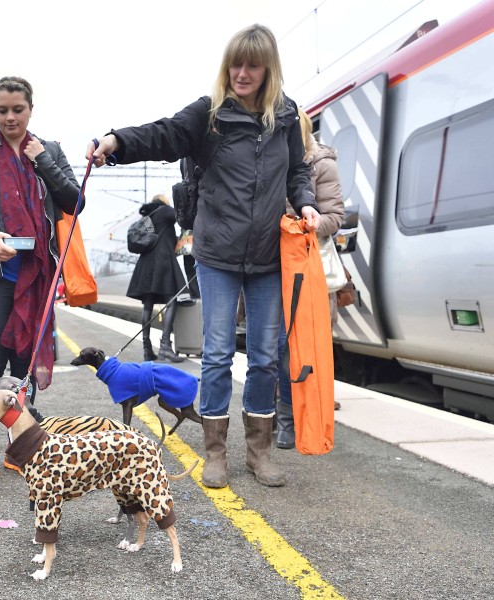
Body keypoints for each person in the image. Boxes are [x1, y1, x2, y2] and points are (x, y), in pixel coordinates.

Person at [88, 24, 321, 488]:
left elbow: (297, 171)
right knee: (216, 354)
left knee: (264, 359)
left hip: (268, 258)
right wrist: (116, 143)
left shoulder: (287, 117)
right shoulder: (210, 115)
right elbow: (164, 134)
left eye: (252, 64)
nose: (242, 72)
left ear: (268, 68)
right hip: (216, 254)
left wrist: (307, 201)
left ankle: (259, 453)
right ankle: (215, 452)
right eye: (235, 63)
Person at [0, 76, 82, 480]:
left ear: (30, 109)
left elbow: (74, 201)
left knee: (23, 363)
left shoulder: (50, 149)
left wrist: (43, 160)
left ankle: (19, 445)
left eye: (17, 109)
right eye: (2, 110)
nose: (10, 117)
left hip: (36, 273)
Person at [275, 108, 345, 449]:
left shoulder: (322, 164)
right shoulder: (274, 162)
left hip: (305, 265)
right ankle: (280, 414)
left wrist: (304, 224)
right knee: (273, 347)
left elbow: (335, 215)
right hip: (272, 264)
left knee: (298, 347)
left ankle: (295, 419)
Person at [127, 193, 186, 362]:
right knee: (172, 301)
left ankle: (147, 350)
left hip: (146, 265)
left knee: (147, 306)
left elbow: (164, 237)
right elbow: (183, 217)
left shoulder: (148, 218)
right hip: (162, 262)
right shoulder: (165, 211)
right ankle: (165, 348)